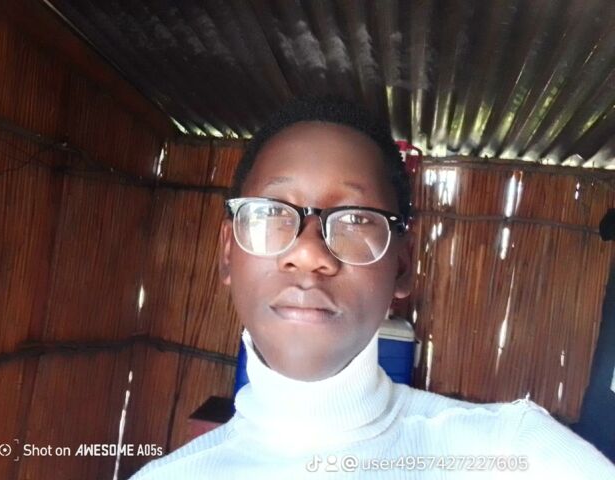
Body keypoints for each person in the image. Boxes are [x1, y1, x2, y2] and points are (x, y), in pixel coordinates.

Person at [130, 97, 615, 479]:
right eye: (272, 212)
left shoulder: (515, 456)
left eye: (355, 219)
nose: (309, 254)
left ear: (401, 266)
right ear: (227, 253)